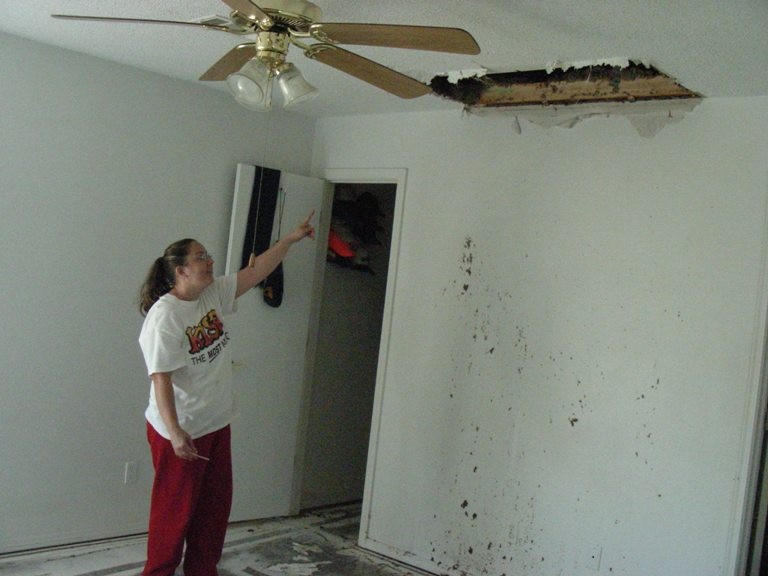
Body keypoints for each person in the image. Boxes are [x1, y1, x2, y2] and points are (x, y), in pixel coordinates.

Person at [137, 211, 315, 576]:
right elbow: (161, 379)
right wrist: (176, 433)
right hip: (182, 430)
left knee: (213, 511)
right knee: (174, 515)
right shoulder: (165, 317)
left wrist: (288, 241)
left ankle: (203, 571)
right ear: (181, 271)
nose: (209, 260)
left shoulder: (211, 293)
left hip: (216, 423)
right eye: (200, 257)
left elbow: (255, 272)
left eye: (208, 255)